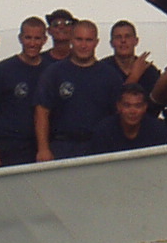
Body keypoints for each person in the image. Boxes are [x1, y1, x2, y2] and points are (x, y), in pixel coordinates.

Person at [35, 20, 127, 160]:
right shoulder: (54, 73)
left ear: (96, 42)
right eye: (79, 39)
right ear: (71, 40)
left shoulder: (110, 75)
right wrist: (43, 149)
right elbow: (41, 112)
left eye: (88, 40)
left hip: (99, 147)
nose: (83, 45)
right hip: (62, 147)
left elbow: (120, 114)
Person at [0, 17, 49, 167]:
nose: (32, 43)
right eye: (28, 37)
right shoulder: (3, 70)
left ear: (45, 40)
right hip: (7, 146)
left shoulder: (51, 71)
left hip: (38, 147)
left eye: (37, 38)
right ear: (20, 38)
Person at [88, 84, 167, 154]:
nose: (132, 111)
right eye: (127, 105)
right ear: (118, 106)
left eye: (138, 106)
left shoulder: (158, 129)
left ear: (145, 107)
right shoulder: (104, 130)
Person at [106, 20, 160, 93]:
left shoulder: (149, 71)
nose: (123, 40)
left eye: (127, 36)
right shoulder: (102, 70)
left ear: (136, 41)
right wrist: (134, 77)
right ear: (111, 43)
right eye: (118, 37)